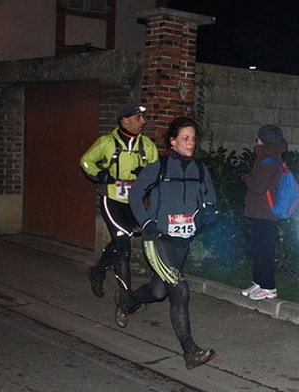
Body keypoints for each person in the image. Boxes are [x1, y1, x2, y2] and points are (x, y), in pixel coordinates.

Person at [119, 116, 218, 370]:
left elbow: (210, 202)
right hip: (158, 238)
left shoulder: (200, 170)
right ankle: (190, 352)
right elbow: (136, 194)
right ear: (172, 141)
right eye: (185, 138)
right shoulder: (159, 167)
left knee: (159, 291)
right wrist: (147, 221)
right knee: (180, 289)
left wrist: (206, 215)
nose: (191, 143)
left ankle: (127, 301)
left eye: (194, 138)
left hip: (181, 241)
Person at [80, 104, 159, 300]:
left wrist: (147, 176)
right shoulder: (106, 142)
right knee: (124, 246)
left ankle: (97, 272)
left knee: (118, 242)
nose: (144, 121)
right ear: (125, 120)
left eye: (143, 117)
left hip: (134, 204)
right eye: (139, 117)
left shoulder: (147, 146)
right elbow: (86, 161)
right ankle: (126, 298)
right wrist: (100, 176)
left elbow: (158, 173)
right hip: (112, 200)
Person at [240, 124, 288, 301]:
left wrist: (246, 178)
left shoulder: (270, 159)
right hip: (261, 213)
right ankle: (259, 283)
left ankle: (269, 287)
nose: (256, 140)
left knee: (265, 251)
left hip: (267, 214)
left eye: (259, 137)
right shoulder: (265, 156)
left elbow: (259, 187)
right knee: (258, 249)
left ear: (265, 139)